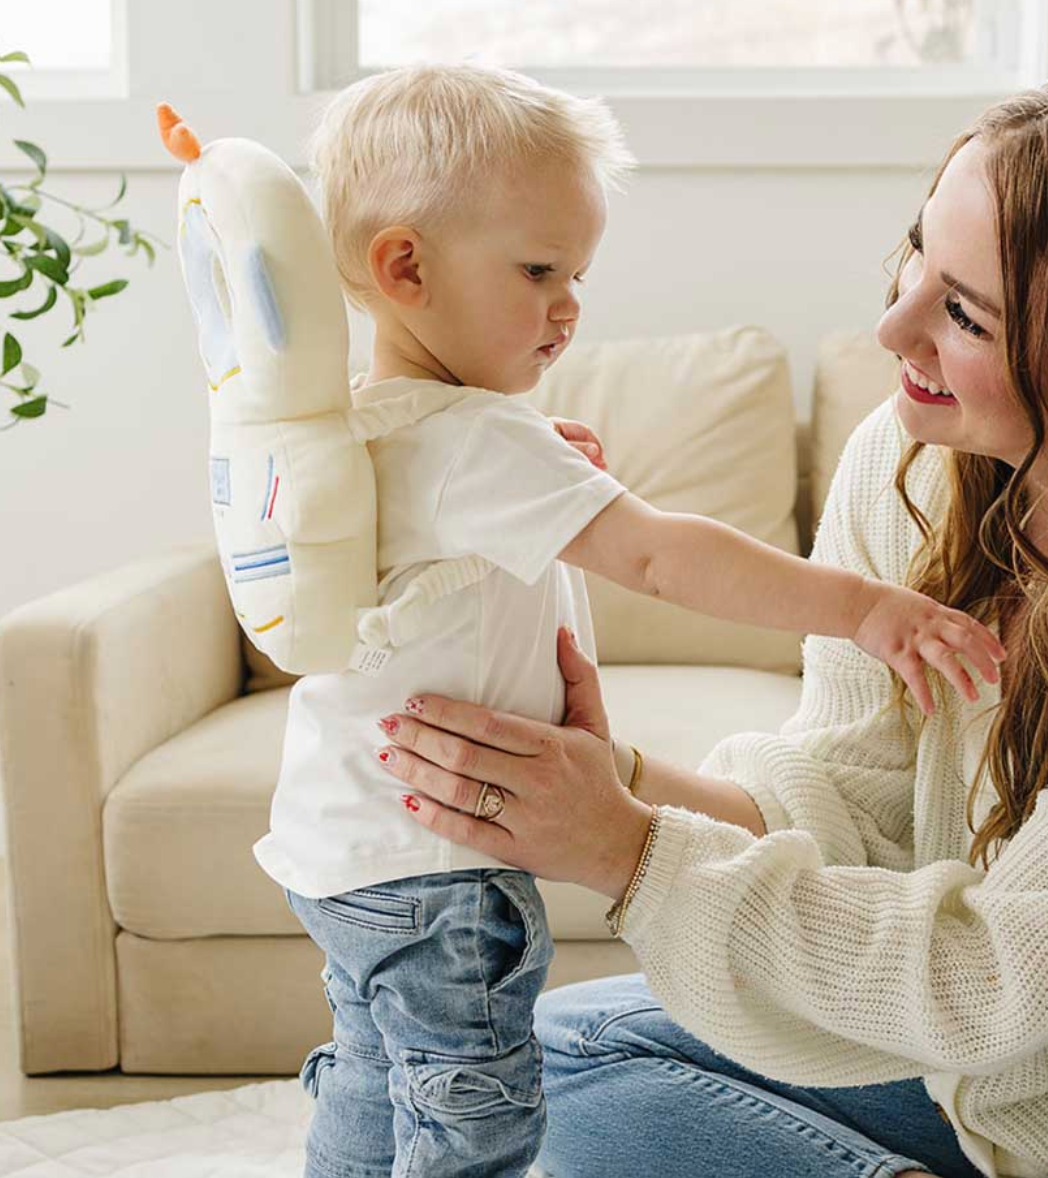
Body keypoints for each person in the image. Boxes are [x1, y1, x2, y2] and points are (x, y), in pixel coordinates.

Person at [371, 59, 1048, 1178]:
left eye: (961, 311)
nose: (894, 328)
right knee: (561, 1053)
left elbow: (993, 978)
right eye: (917, 255)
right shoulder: (911, 457)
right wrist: (614, 777)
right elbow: (850, 802)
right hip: (975, 1064)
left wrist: (627, 849)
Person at [261, 62, 1005, 1178]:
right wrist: (863, 605)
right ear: (402, 265)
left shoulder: (378, 433)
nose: (568, 306)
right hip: (441, 855)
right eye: (539, 269)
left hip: (343, 849)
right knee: (480, 1117)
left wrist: (535, 460)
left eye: (578, 274)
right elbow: (660, 554)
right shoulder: (479, 443)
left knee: (378, 1078)